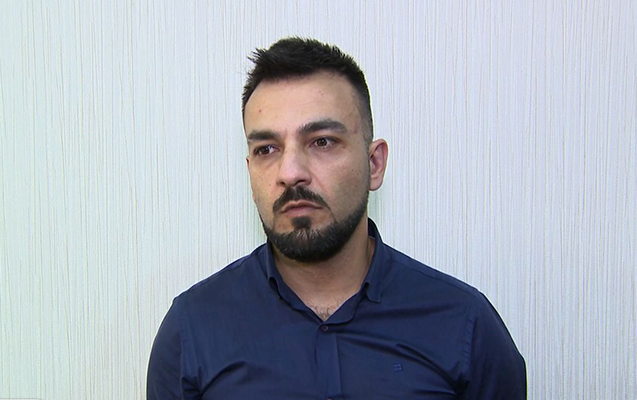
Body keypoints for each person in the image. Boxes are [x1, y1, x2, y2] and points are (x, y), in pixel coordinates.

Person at [147, 37, 526, 399]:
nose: (290, 172)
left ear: (374, 164)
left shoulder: (466, 326)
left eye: (322, 141)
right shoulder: (191, 330)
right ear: (250, 173)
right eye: (267, 149)